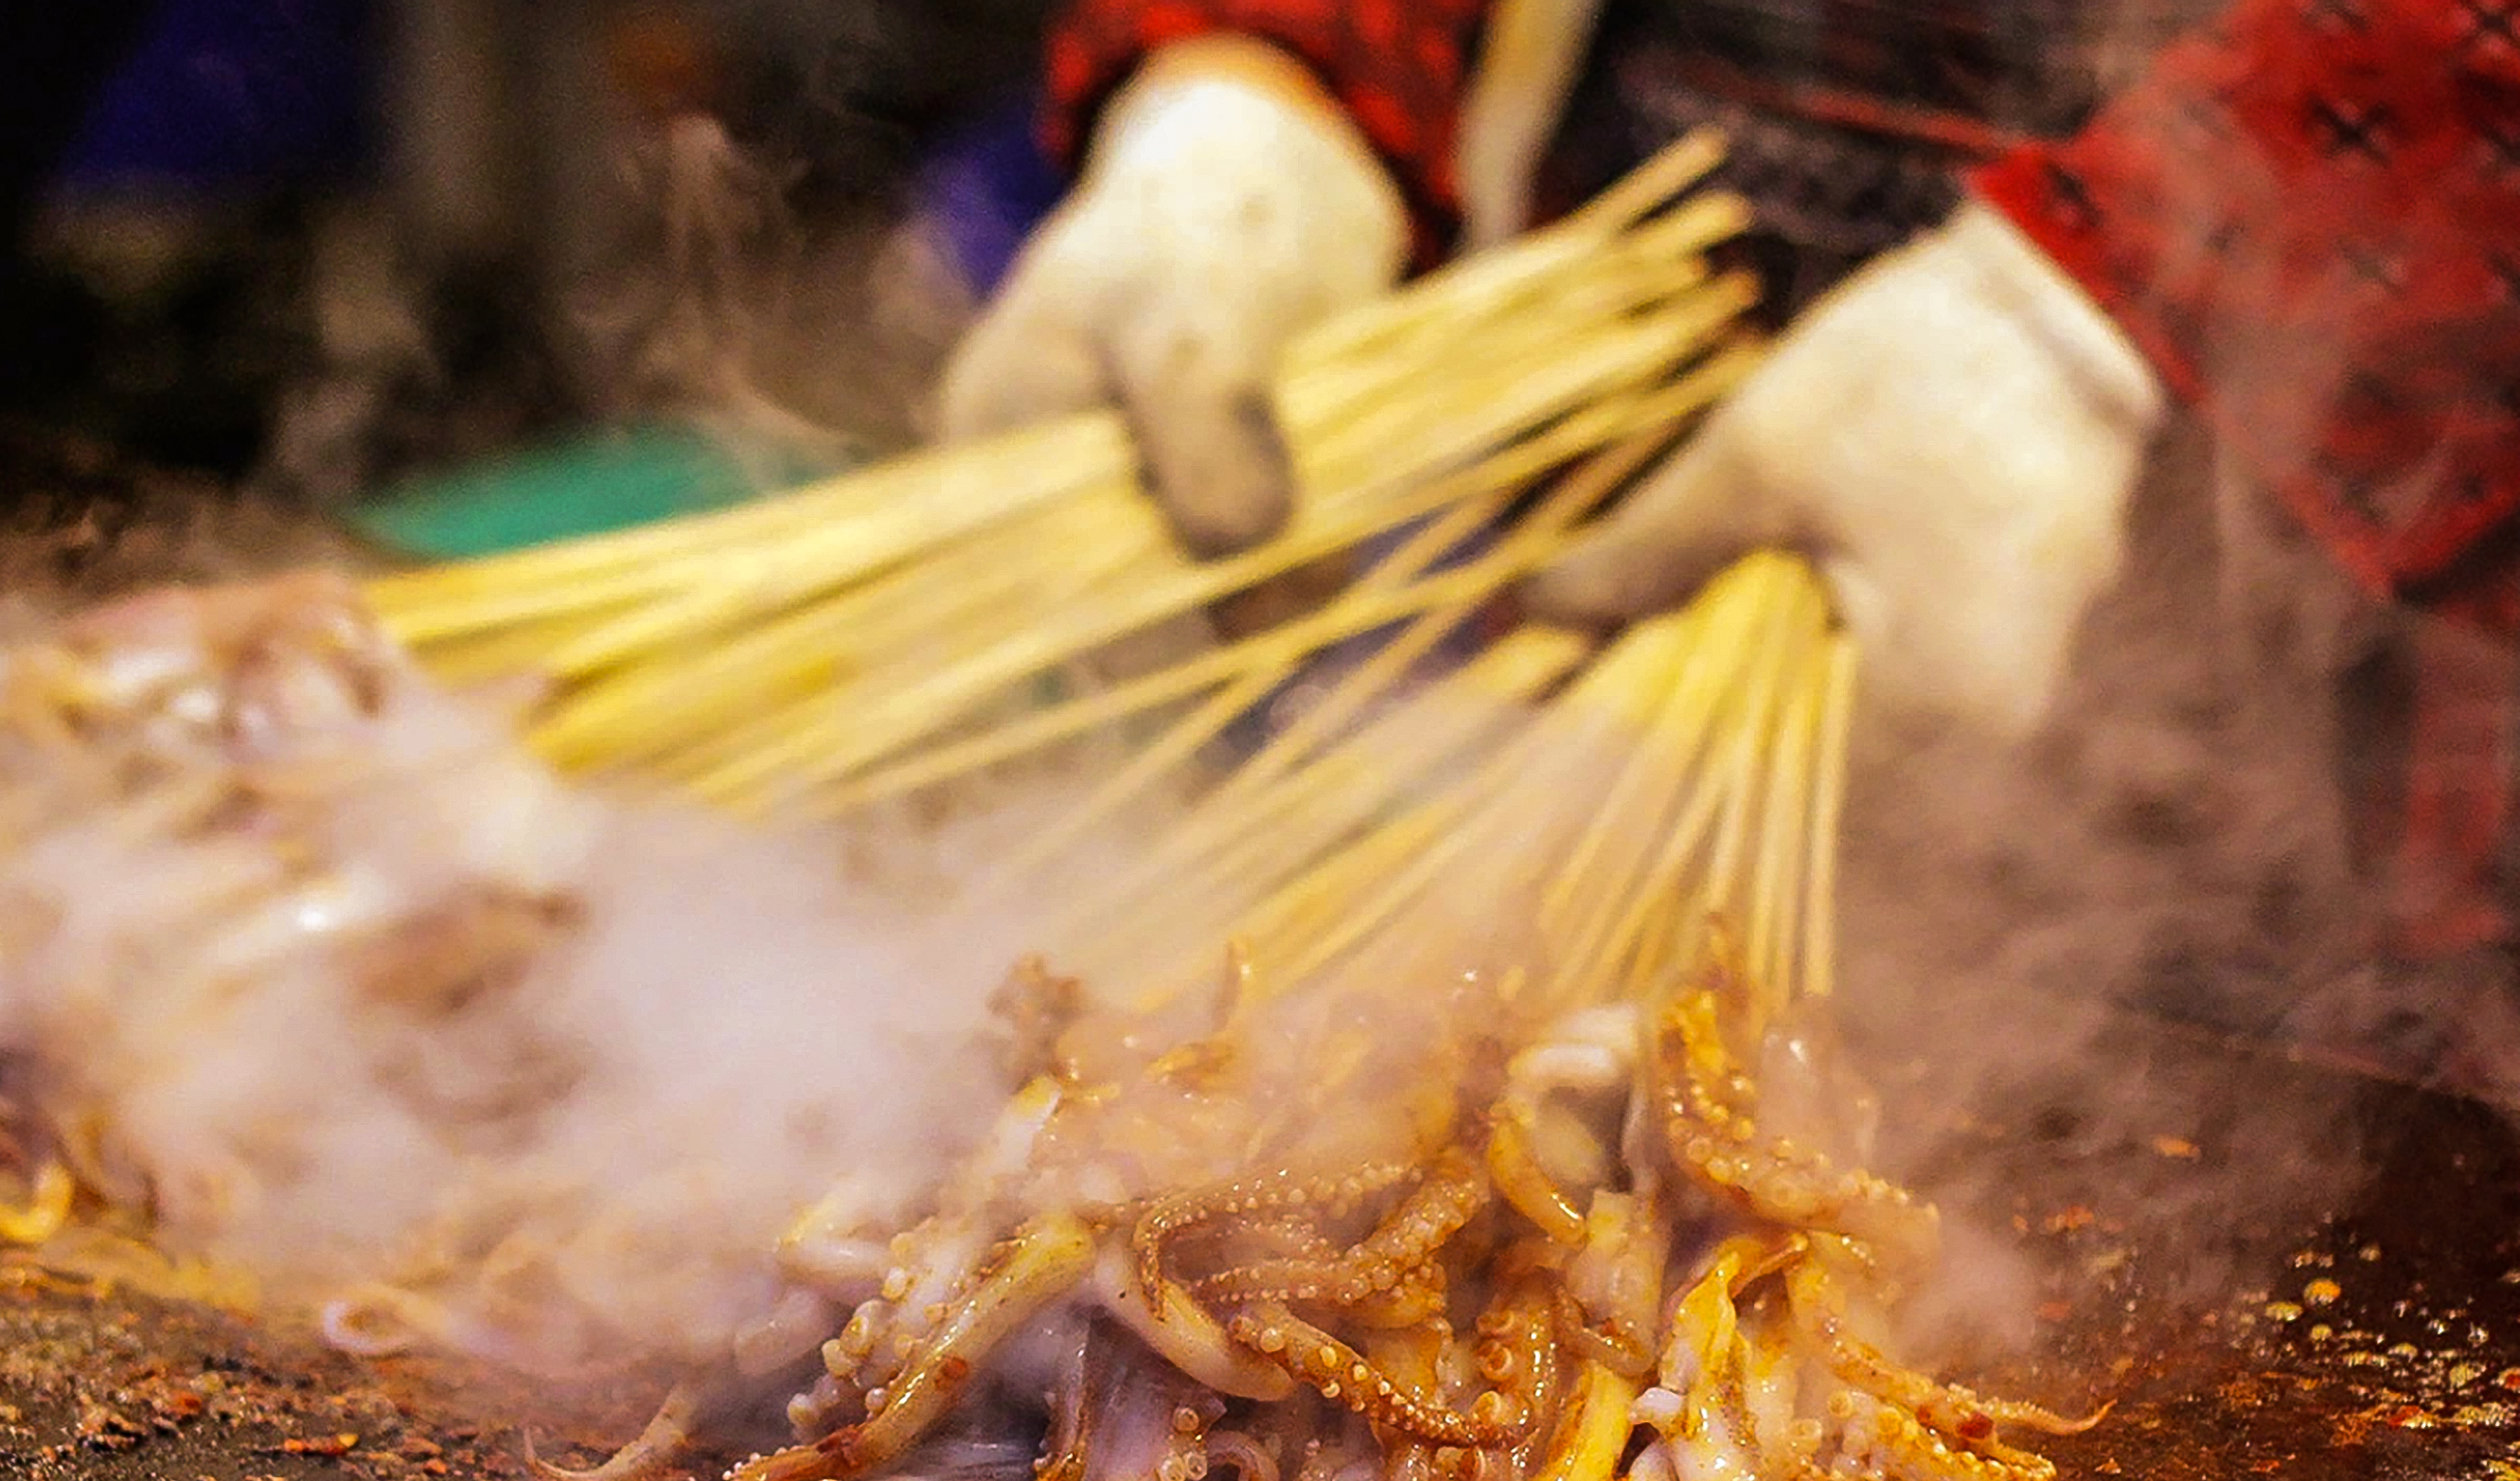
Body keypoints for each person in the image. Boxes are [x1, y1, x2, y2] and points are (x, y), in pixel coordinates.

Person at [941, 0, 2520, 1066]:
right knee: (1530, 1059)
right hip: (1664, 378)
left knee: (2305, 1180)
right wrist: (1266, 71)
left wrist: (2137, 291)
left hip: (2366, 517)